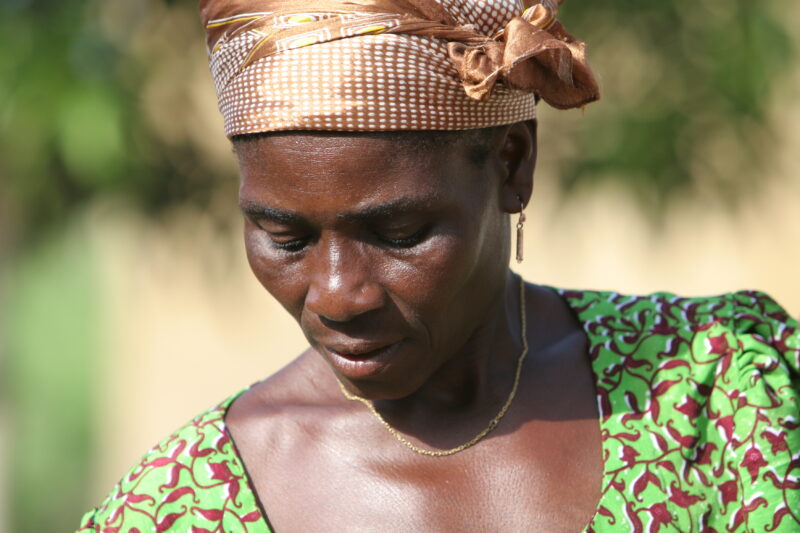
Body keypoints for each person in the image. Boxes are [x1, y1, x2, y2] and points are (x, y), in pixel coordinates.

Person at [77, 0, 800, 531]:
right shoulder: (176, 508)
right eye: (284, 237)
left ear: (513, 165)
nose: (337, 295)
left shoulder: (716, 396)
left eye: (397, 231)